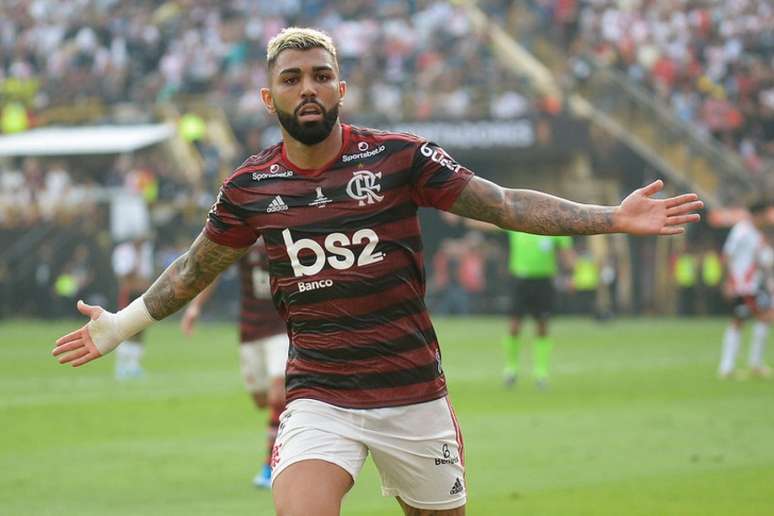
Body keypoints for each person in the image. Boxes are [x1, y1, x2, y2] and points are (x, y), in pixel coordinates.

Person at [52, 27, 703, 516]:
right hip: (320, 396)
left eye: (319, 74)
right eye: (291, 78)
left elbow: (504, 205)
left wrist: (611, 219)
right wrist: (122, 325)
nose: (306, 87)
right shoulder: (251, 186)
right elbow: (196, 266)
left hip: (413, 393)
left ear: (340, 87)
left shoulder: (400, 158)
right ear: (268, 95)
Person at [180, 238, 289, 488]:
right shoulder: (244, 237)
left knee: (277, 397)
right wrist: (195, 307)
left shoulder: (284, 233)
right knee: (262, 400)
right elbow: (215, 271)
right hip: (251, 329)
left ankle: (270, 466)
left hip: (281, 327)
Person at [502, 232, 574, 389]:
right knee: (514, 325)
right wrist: (461, 218)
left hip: (543, 281)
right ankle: (511, 369)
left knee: (542, 326)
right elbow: (489, 222)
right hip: (520, 279)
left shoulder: (552, 225)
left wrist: (570, 274)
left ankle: (541, 373)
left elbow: (566, 250)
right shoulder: (517, 222)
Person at [718, 200, 773, 380]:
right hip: (742, 286)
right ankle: (734, 367)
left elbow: (761, 261)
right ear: (758, 214)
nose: (768, 218)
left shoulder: (755, 234)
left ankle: (732, 367)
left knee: (740, 322)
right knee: (765, 317)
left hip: (752, 286)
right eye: (766, 214)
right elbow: (727, 255)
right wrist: (727, 282)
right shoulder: (742, 232)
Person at [111, 236, 153, 380]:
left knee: (141, 329)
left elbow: (147, 274)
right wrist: (136, 259)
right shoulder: (123, 251)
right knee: (126, 327)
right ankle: (121, 365)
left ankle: (134, 364)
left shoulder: (146, 251)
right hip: (129, 293)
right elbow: (124, 274)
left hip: (142, 293)